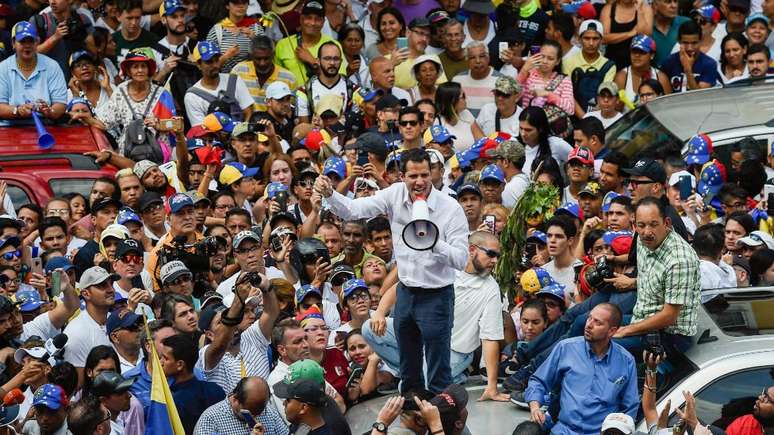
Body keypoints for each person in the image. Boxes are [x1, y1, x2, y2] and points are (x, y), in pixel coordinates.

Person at [314, 147, 469, 394]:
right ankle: (411, 408)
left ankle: (444, 418)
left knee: (438, 367)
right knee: (409, 364)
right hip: (406, 293)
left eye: (425, 175)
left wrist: (433, 242)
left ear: (433, 174)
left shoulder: (450, 208)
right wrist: (331, 195)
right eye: (413, 176)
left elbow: (461, 259)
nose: (419, 182)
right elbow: (353, 210)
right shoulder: (394, 194)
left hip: (437, 295)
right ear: (402, 176)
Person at [520, 304, 639, 433]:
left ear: (612, 331)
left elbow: (630, 407)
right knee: (527, 430)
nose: (588, 325)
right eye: (589, 318)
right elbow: (538, 381)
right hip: (564, 430)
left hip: (599, 432)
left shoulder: (626, 361)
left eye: (597, 322)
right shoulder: (566, 348)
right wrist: (535, 407)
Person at [614, 197, 700, 354]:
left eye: (653, 225)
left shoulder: (679, 260)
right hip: (641, 316)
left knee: (604, 344)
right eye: (641, 225)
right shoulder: (643, 239)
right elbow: (653, 277)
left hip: (669, 335)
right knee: (586, 323)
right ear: (635, 225)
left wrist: (627, 330)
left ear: (666, 223)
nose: (647, 232)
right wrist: (632, 282)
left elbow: (669, 316)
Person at [451, 231, 508, 402]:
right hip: (425, 343)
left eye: (497, 256)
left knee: (412, 385)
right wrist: (380, 312)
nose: (495, 261)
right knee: (370, 329)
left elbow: (490, 338)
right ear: (472, 250)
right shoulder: (447, 267)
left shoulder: (490, 288)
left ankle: (453, 375)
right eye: (491, 254)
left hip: (457, 352)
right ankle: (453, 378)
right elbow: (404, 286)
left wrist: (491, 387)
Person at [159, 334, 226, 435]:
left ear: (180, 365)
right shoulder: (215, 389)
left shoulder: (175, 401)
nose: (160, 362)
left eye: (165, 358)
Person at [0, 22, 67, 121]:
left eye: (31, 41)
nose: (27, 45)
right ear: (13, 43)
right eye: (22, 41)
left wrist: (49, 112)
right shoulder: (3, 68)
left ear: (37, 42)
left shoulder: (52, 66)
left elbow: (60, 104)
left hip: (47, 126)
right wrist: (17, 111)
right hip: (11, 128)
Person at [64, 266, 116, 383]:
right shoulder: (76, 332)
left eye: (110, 284)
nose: (110, 289)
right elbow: (80, 385)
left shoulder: (116, 320)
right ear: (86, 294)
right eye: (102, 285)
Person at [184, 41, 253, 125]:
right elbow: (200, 129)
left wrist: (242, 132)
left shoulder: (234, 80)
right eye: (209, 62)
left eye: (217, 60)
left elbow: (248, 112)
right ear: (198, 64)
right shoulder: (192, 96)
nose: (215, 65)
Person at [193, 377, 289, 435]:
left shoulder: (269, 412)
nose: (254, 417)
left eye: (259, 413)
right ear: (235, 399)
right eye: (249, 412)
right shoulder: (210, 419)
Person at [518, 40, 575, 138]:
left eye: (550, 58)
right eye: (542, 56)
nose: (545, 61)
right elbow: (512, 94)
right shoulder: (528, 74)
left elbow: (570, 109)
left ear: (557, 61)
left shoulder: (564, 80)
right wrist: (524, 69)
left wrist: (548, 94)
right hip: (528, 131)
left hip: (552, 134)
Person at [563, 20, 617, 116]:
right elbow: (568, 95)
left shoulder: (609, 65)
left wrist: (592, 119)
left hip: (598, 116)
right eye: (586, 38)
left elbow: (604, 96)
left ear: (601, 40)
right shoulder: (567, 61)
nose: (591, 43)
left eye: (595, 38)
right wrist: (585, 118)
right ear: (580, 39)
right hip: (573, 115)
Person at [273, 360, 334, 434]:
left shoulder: (333, 422)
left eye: (288, 400)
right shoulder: (301, 426)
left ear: (303, 407)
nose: (284, 403)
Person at [206, 0, 265, 73]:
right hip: (225, 80)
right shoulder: (217, 30)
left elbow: (267, 57)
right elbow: (208, 66)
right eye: (235, 3)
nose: (241, 6)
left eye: (244, 2)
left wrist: (255, 39)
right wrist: (226, 56)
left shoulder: (256, 29)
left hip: (251, 80)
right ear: (227, 6)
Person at [661, 20, 719, 92]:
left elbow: (700, 97)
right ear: (679, 41)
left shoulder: (709, 64)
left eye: (694, 43)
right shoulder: (669, 62)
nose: (689, 48)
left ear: (701, 41)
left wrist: (688, 70)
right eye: (685, 43)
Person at [614, 34, 671, 105]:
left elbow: (668, 107)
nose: (637, 55)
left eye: (642, 52)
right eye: (634, 51)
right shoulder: (621, 77)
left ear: (652, 55)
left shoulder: (661, 78)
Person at [451, 42, 502, 116]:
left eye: (481, 56)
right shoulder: (457, 80)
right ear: (467, 60)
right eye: (472, 57)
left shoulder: (501, 80)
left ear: (488, 58)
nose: (478, 61)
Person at [600, 0, 654, 69]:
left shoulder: (645, 8)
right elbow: (603, 38)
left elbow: (646, 36)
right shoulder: (609, 9)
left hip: (638, 61)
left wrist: (640, 11)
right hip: (613, 61)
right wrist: (630, 33)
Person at [652, 0, 691, 66]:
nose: (674, 6)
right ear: (655, 5)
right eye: (668, 2)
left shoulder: (686, 23)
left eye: (675, 1)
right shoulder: (646, 27)